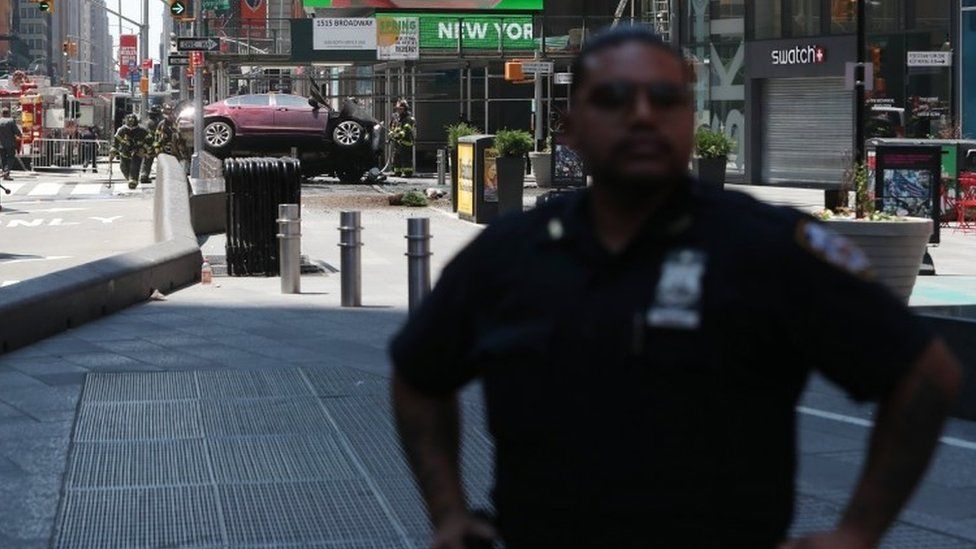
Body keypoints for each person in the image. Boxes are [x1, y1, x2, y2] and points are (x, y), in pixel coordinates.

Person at [390, 26, 962, 548]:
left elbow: (924, 374)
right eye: (613, 99)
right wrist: (448, 514)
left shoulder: (769, 247)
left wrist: (858, 531)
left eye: (665, 99)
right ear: (572, 129)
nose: (642, 116)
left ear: (691, 119)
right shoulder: (510, 254)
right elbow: (419, 375)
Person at [110, 113, 149, 189]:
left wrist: (144, 149)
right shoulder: (121, 130)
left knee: (135, 167)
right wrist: (113, 151)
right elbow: (116, 141)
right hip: (125, 152)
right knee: (123, 167)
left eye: (132, 124)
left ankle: (133, 181)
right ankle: (130, 179)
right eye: (129, 124)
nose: (131, 128)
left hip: (137, 152)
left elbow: (150, 140)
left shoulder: (142, 130)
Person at [390, 99, 416, 178]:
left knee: (405, 158)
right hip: (397, 142)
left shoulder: (409, 119)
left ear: (405, 109)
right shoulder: (396, 117)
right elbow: (393, 127)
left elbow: (407, 130)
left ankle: (408, 173)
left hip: (406, 142)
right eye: (398, 109)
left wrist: (400, 135)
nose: (398, 110)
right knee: (396, 157)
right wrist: (391, 133)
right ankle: (397, 172)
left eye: (400, 109)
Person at [139, 106, 163, 184]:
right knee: (152, 161)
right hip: (153, 145)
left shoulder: (145, 122)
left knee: (147, 161)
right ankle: (145, 176)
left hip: (146, 145)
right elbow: (156, 135)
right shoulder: (155, 123)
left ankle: (144, 175)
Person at [0, 106, 22, 181]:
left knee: (3, 159)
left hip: (1, 144)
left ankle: (5, 174)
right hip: (10, 144)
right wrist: (20, 135)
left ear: (2, 114)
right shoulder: (11, 121)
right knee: (11, 158)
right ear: (8, 113)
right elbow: (17, 131)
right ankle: (6, 172)